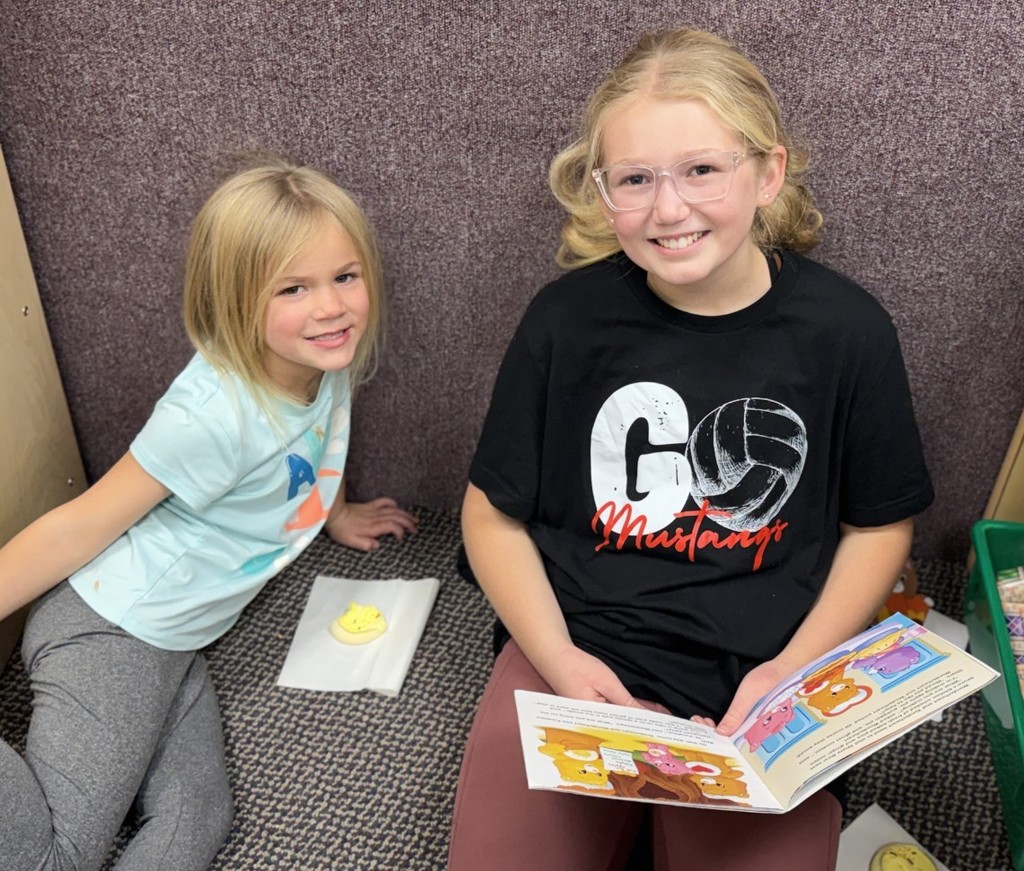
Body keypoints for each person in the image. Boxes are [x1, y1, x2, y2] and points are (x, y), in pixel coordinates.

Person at [448, 27, 933, 871]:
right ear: (603, 193)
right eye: (635, 179)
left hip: (768, 676)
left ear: (768, 173)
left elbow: (881, 527)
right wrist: (559, 658)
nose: (668, 209)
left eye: (702, 170)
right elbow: (491, 516)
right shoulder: (565, 322)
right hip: (577, 652)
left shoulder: (849, 333)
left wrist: (792, 666)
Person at [0, 157, 417, 870]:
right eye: (294, 288)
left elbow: (321, 447)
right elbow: (82, 523)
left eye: (345, 277)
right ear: (235, 301)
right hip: (112, 627)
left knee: (200, 817)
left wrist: (333, 513)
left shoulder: (323, 358)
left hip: (176, 639)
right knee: (56, 858)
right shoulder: (211, 415)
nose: (331, 306)